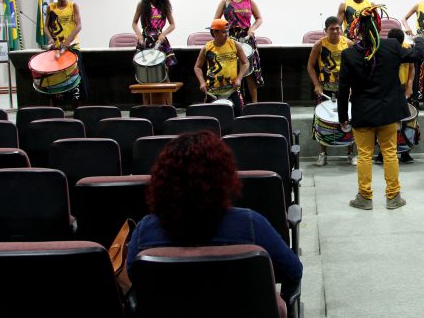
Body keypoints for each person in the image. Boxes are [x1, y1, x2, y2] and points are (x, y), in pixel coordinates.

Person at [126, 131, 303, 311]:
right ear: (223, 178)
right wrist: (278, 302)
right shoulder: (251, 224)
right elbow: (294, 271)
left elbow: (133, 277)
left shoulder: (145, 230)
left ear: (163, 180)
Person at [338, 5, 424, 210]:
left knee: (365, 155)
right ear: (378, 26)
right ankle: (393, 197)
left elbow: (343, 90)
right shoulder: (392, 46)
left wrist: (342, 117)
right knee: (390, 153)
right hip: (388, 112)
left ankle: (365, 198)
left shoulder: (349, 54)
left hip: (362, 113)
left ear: (357, 29)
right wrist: (419, 38)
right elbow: (417, 55)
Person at [306, 16, 356, 166]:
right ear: (325, 30)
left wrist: (353, 85)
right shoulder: (319, 45)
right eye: (331, 29)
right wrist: (317, 84)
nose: (335, 31)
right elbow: (310, 66)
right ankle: (323, 154)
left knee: (348, 119)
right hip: (325, 88)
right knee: (322, 121)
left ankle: (351, 153)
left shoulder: (348, 43)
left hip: (345, 88)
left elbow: (355, 66)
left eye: (337, 28)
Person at [193, 19, 253, 116]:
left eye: (227, 32)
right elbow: (197, 67)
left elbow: (245, 63)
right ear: (214, 32)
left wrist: (239, 78)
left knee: (237, 117)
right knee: (211, 119)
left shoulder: (234, 44)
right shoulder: (207, 48)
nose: (227, 35)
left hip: (232, 90)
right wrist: (202, 82)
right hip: (212, 91)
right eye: (224, 32)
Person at [214, 0, 264, 91]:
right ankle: (234, 99)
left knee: (250, 72)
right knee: (231, 70)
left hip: (247, 38)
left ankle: (254, 101)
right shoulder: (225, 2)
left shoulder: (249, 1)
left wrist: (252, 28)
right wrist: (224, 29)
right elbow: (215, 21)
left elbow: (259, 18)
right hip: (230, 38)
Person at [131, 0, 177, 105]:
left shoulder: (164, 5)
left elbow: (172, 25)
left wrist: (163, 34)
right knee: (145, 78)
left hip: (160, 42)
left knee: (165, 75)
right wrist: (139, 35)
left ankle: (169, 107)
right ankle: (146, 107)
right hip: (146, 41)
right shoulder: (142, 5)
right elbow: (134, 23)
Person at [375, 28, 416, 164]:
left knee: (407, 121)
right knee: (386, 122)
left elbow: (412, 68)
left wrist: (409, 86)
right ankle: (382, 152)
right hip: (389, 89)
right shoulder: (383, 49)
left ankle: (405, 151)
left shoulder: (407, 48)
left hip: (403, 88)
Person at [44, 0, 88, 103]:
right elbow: (46, 26)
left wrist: (69, 40)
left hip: (72, 47)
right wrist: (50, 38)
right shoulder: (51, 7)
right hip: (57, 48)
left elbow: (79, 25)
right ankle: (57, 103)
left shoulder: (73, 6)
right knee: (57, 77)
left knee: (75, 76)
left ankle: (78, 103)